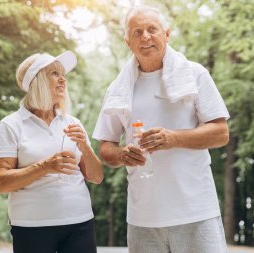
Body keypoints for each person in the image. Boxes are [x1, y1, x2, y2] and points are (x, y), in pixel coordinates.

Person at [93, 5, 230, 253]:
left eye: (152, 29)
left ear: (166, 34)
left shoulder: (195, 74)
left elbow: (221, 133)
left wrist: (173, 138)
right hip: (144, 218)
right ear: (127, 41)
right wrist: (123, 154)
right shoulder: (117, 90)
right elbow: (106, 147)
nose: (145, 37)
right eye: (137, 32)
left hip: (195, 211)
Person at [0, 50, 103, 253]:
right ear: (37, 81)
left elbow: (96, 177)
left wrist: (85, 147)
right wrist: (46, 166)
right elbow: (2, 182)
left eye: (63, 75)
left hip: (79, 221)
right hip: (31, 226)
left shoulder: (73, 123)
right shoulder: (10, 125)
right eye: (54, 73)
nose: (63, 80)